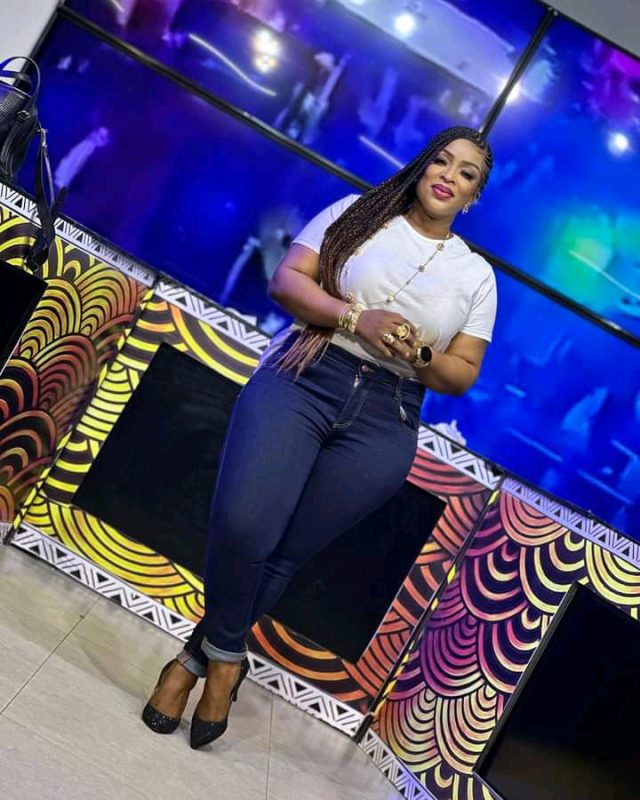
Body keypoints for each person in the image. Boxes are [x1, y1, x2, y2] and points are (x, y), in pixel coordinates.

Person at [142, 126, 497, 749]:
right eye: (441, 161)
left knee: (284, 555)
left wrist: (417, 352)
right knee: (245, 527)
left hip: (387, 415)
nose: (449, 175)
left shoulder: (477, 276)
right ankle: (226, 662)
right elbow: (287, 281)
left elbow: (462, 373)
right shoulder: (358, 214)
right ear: (421, 166)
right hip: (306, 373)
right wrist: (359, 318)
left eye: (466, 173)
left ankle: (194, 661)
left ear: (474, 196)